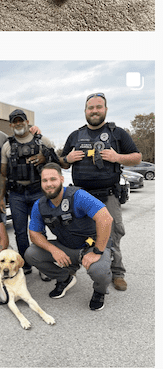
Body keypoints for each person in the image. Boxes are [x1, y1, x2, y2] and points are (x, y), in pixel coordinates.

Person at [60, 93, 141, 291]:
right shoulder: (75, 135)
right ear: (85, 111)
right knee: (76, 233)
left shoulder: (117, 133)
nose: (94, 111)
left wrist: (117, 157)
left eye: (98, 107)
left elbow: (137, 157)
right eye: (90, 108)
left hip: (108, 195)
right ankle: (70, 270)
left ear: (105, 109)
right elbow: (61, 162)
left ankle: (118, 272)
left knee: (113, 234)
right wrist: (67, 159)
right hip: (81, 196)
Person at [25, 163, 113, 311]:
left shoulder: (78, 196)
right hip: (66, 247)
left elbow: (105, 218)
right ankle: (65, 278)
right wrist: (53, 249)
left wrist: (97, 251)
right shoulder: (39, 205)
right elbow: (34, 234)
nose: (49, 184)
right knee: (31, 254)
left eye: (53, 179)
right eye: (44, 181)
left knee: (99, 270)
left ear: (61, 179)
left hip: (91, 246)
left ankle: (99, 291)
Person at [0, 109, 60, 274]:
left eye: (21, 120)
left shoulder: (42, 141)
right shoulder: (7, 146)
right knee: (20, 232)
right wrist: (0, 198)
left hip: (37, 192)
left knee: (39, 229)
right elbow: (3, 174)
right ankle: (25, 263)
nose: (19, 124)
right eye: (15, 121)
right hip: (16, 194)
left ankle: (43, 265)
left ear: (27, 122)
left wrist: (45, 157)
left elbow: (57, 163)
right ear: (11, 125)